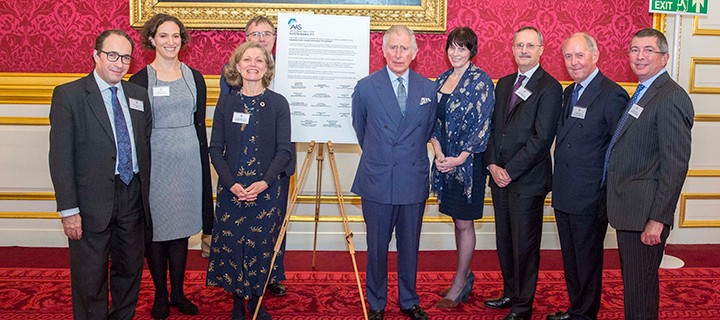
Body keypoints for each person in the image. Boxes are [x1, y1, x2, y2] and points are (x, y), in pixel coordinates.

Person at [48, 29, 152, 319]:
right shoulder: (69, 95)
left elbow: (144, 146)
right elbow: (60, 157)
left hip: (131, 195)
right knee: (90, 276)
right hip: (90, 200)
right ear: (95, 55)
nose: (119, 63)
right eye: (112, 55)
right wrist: (69, 210)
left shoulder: (138, 95)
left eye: (126, 58)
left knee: (130, 270)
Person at [128, 13, 213, 319]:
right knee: (156, 230)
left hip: (188, 162)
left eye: (175, 36)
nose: (170, 42)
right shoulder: (138, 81)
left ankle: (178, 292)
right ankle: (161, 296)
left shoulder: (195, 77)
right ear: (151, 39)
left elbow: (199, 123)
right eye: (163, 35)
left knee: (180, 231)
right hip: (156, 164)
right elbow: (137, 131)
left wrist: (204, 165)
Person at [606, 28, 693, 320]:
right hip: (630, 210)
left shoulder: (670, 97)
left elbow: (675, 165)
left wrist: (658, 219)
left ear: (665, 57)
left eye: (648, 50)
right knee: (635, 287)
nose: (639, 56)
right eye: (634, 50)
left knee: (640, 290)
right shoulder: (643, 92)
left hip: (646, 215)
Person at [351, 25, 437, 320]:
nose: (398, 54)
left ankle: (409, 299)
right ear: (383, 50)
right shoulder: (365, 87)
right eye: (393, 47)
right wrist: (383, 156)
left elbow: (427, 130)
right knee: (376, 246)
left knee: (410, 245)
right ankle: (376, 303)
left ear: (415, 53)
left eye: (404, 48)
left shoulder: (428, 88)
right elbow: (362, 131)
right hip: (377, 177)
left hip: (412, 178)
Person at [206, 41, 292, 320]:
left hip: (266, 191)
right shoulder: (227, 103)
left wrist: (264, 182)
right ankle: (236, 302)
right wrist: (231, 184)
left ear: (267, 68)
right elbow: (215, 149)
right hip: (232, 190)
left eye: (259, 60)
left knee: (262, 246)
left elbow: (284, 151)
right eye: (247, 60)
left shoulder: (279, 103)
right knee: (234, 246)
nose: (253, 65)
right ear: (237, 66)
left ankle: (256, 301)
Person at [483, 26, 562, 320]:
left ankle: (523, 306)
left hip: (526, 181)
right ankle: (509, 292)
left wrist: (510, 171)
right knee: (504, 240)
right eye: (519, 45)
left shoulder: (550, 87)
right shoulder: (503, 83)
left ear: (541, 49)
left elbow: (542, 139)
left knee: (525, 245)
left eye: (530, 46)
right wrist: (492, 164)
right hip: (499, 178)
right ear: (512, 49)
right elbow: (492, 129)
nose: (524, 51)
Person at [548, 32, 629, 320]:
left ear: (595, 55)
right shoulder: (569, 92)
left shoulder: (612, 94)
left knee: (587, 259)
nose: (573, 62)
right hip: (565, 190)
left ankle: (585, 314)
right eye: (568, 56)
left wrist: (606, 193)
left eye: (579, 55)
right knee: (571, 259)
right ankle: (576, 308)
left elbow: (618, 149)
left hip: (590, 194)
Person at [429, 27, 494, 309]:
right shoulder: (442, 79)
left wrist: (459, 158)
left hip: (469, 164)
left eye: (462, 48)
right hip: (445, 161)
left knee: (464, 221)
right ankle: (464, 274)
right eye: (452, 47)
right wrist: (440, 153)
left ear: (472, 51)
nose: (456, 53)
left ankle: (460, 282)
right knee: (456, 219)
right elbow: (433, 121)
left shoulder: (481, 81)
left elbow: (483, 126)